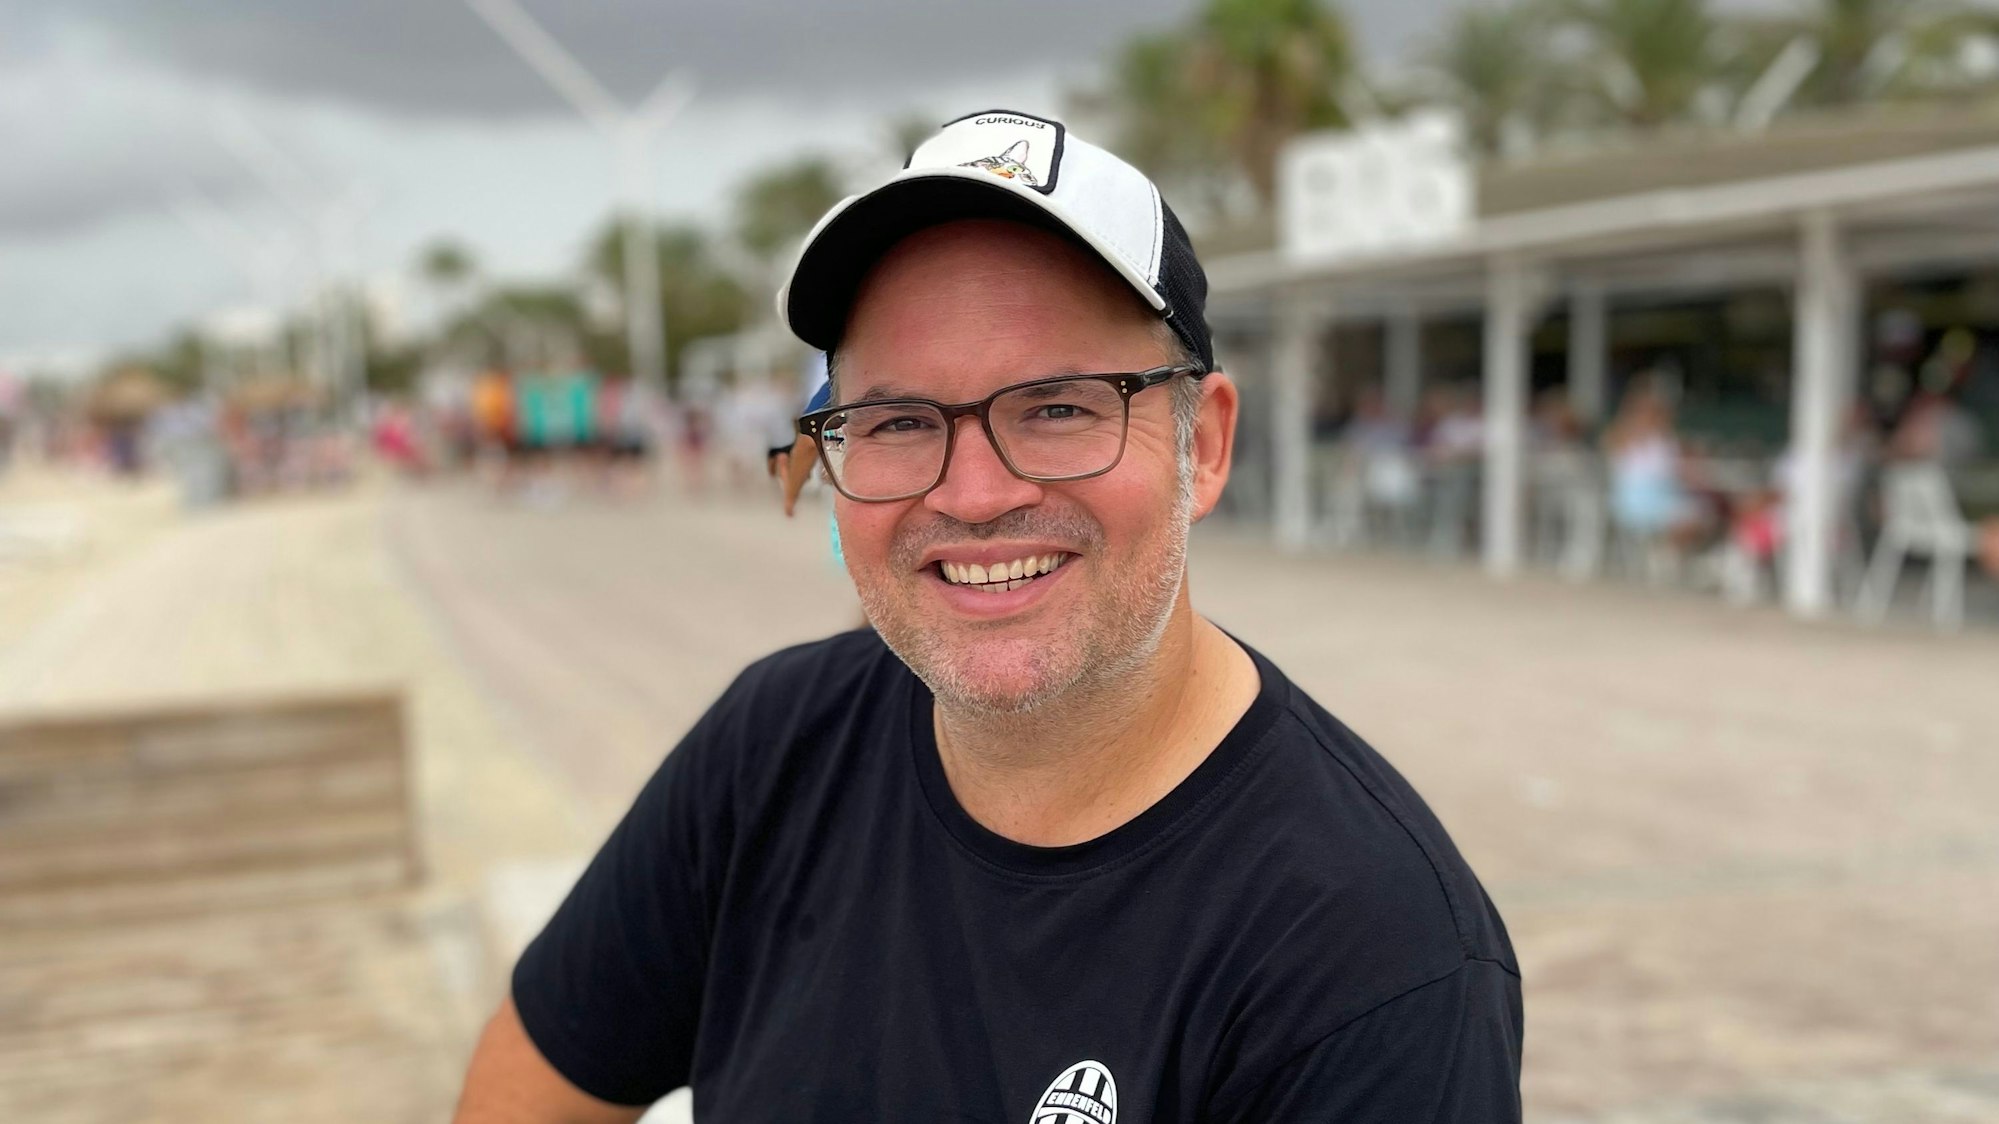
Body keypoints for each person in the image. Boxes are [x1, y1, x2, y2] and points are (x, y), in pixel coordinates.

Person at [453, 109, 1521, 1124]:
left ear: (1201, 446)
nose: (971, 495)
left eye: (1057, 406)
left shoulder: (1371, 949)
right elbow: (533, 1085)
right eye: (897, 421)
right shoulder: (773, 746)